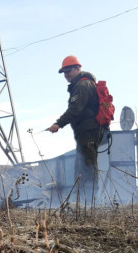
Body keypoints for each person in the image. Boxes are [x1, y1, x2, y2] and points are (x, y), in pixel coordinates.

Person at [47, 55, 104, 204]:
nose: (66, 75)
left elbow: (75, 109)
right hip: (85, 133)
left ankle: (91, 203)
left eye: (68, 71)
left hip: (89, 131)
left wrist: (58, 124)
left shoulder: (82, 86)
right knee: (82, 167)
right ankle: (82, 202)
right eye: (64, 72)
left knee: (89, 166)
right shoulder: (81, 85)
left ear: (78, 68)